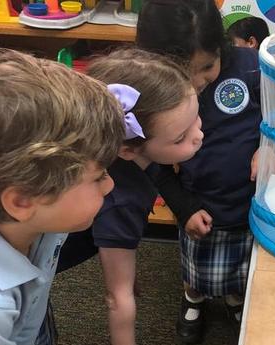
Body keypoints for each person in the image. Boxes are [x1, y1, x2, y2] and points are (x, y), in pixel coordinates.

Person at [137, 0, 261, 343]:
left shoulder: (251, 67)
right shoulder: (156, 92)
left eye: (207, 66)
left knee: (243, 264)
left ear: (222, 45)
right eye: (182, 72)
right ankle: (193, 297)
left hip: (250, 201)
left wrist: (269, 146)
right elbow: (150, 161)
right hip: (198, 201)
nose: (196, 81)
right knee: (197, 266)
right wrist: (183, 205)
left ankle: (236, 296)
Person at [0, 48, 124, 345]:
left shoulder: (41, 216)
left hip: (30, 318)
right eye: (98, 178)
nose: (110, 186)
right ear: (22, 201)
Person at [84, 48, 203, 345]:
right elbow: (116, 298)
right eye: (180, 138)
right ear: (128, 149)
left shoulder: (128, 156)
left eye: (197, 119)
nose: (199, 135)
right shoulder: (116, 200)